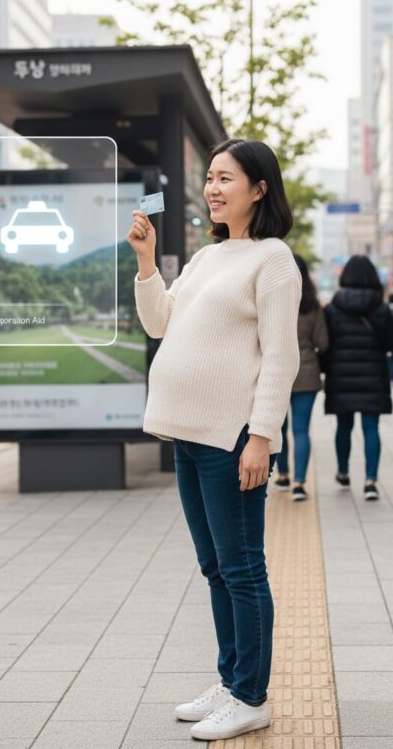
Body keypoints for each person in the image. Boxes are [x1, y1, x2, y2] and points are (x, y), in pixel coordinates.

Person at [128, 138, 300, 741]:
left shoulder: (273, 260)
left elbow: (282, 357)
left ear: (259, 189)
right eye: (210, 177)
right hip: (187, 432)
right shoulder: (205, 259)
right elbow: (159, 323)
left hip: (232, 440)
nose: (213, 188)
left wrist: (262, 437)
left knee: (243, 567)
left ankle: (251, 697)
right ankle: (230, 681)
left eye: (226, 178)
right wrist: (147, 263)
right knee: (214, 567)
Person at [323, 255, 393, 501]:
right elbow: (391, 343)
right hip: (372, 375)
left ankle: (343, 472)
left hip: (340, 375)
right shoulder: (382, 308)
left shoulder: (333, 308)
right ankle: (370, 481)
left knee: (344, 427)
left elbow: (325, 344)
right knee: (371, 428)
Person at [274, 254, 328, 501]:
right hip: (306, 373)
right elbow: (323, 342)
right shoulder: (312, 306)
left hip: (275, 372)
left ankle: (282, 475)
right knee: (301, 430)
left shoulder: (272, 300)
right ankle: (299, 483)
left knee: (277, 428)